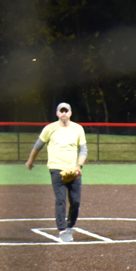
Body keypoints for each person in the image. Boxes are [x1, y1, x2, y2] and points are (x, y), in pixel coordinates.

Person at [25, 102, 87, 243]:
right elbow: (38, 146)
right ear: (57, 113)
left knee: (76, 201)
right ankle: (62, 230)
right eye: (61, 111)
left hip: (74, 170)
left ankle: (70, 226)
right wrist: (30, 161)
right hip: (56, 169)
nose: (64, 113)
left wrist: (79, 166)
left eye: (66, 111)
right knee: (60, 200)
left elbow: (83, 150)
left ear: (70, 113)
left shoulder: (78, 129)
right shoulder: (50, 129)